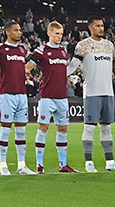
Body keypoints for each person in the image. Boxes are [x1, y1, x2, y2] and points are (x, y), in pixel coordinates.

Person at [73, 17, 115, 172]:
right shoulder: (83, 46)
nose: (101, 28)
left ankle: (110, 162)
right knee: (89, 128)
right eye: (97, 26)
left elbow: (114, 67)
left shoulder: (109, 45)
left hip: (108, 92)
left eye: (102, 25)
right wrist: (61, 73)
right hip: (92, 93)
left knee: (106, 128)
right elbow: (74, 64)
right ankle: (88, 163)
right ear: (90, 27)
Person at [27, 21, 78, 173]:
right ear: (49, 33)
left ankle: (63, 164)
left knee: (62, 129)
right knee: (43, 127)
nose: (59, 36)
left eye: (61, 34)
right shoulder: (41, 51)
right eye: (57, 33)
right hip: (47, 95)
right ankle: (39, 165)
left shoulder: (63, 51)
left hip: (62, 96)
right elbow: (27, 67)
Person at [0, 20, 35, 176]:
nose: (19, 32)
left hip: (22, 93)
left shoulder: (23, 49)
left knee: (21, 131)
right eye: (16, 30)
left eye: (20, 30)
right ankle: (3, 165)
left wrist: (28, 68)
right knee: (5, 129)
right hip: (7, 93)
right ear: (8, 32)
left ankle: (22, 165)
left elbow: (34, 59)